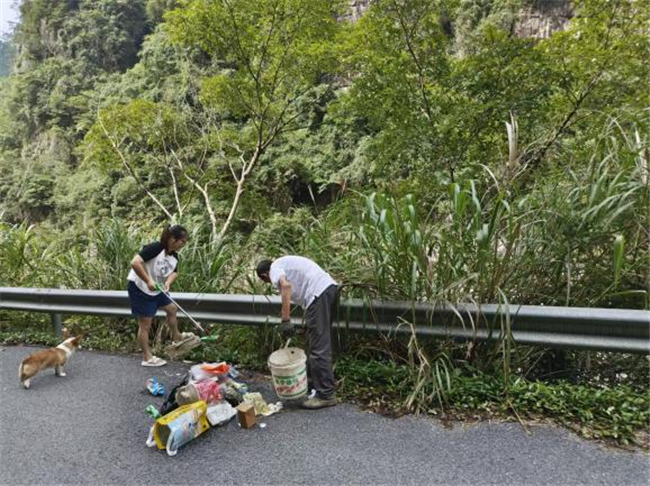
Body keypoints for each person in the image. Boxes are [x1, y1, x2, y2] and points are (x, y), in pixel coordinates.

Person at [256, 255, 338, 409]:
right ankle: (312, 384)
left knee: (318, 348)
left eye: (266, 281)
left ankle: (326, 395)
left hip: (319, 294)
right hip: (328, 290)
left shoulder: (274, 269)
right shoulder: (284, 264)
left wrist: (285, 320)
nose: (271, 283)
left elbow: (286, 286)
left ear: (265, 275)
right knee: (314, 342)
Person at [127, 224, 189, 367]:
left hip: (157, 289)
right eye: (183, 241)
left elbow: (174, 272)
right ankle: (147, 357)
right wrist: (148, 281)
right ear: (173, 239)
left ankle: (177, 337)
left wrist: (168, 282)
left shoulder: (174, 256)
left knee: (172, 308)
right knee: (145, 324)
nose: (184, 244)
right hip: (140, 288)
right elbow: (135, 262)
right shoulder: (156, 248)